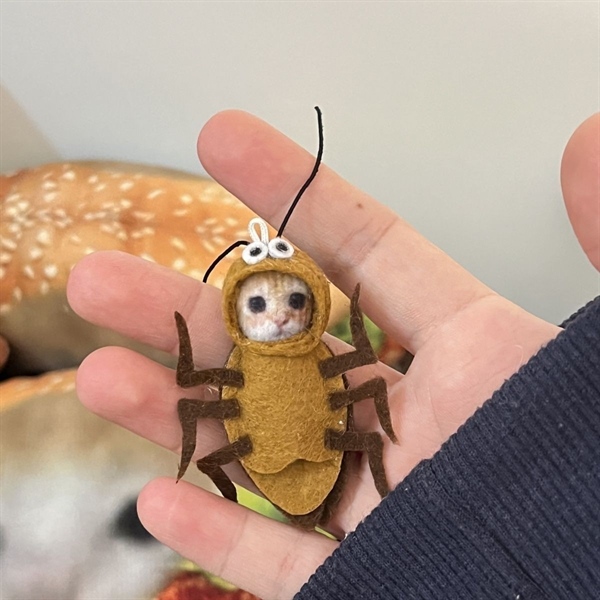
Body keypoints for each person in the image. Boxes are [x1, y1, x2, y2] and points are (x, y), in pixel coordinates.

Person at [68, 113, 599, 599]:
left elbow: (363, 374)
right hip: (274, 456)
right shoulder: (233, 371)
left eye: (294, 301)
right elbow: (193, 385)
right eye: (259, 305)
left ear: (314, 302)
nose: (278, 316)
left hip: (335, 457)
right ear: (236, 311)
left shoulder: (316, 354)